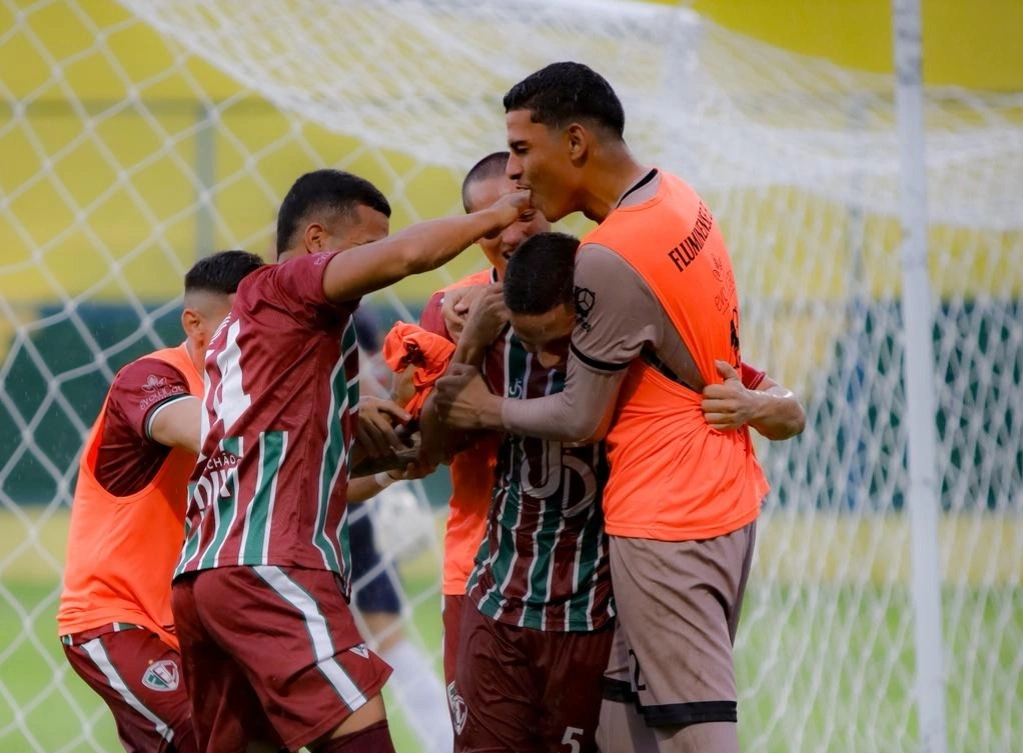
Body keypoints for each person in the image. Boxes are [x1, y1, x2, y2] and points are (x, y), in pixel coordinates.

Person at [435, 63, 806, 753]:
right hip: (717, 493)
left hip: (667, 516)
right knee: (623, 727)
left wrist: (483, 407)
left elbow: (581, 416)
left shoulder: (609, 256)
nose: (515, 172)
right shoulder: (678, 200)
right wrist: (771, 403)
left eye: (521, 149)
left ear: (575, 142)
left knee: (693, 731)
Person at [170, 168, 529, 753]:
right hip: (270, 566)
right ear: (316, 241)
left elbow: (309, 464)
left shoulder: (266, 333)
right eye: (366, 247)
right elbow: (409, 255)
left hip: (207, 574)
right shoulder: (285, 284)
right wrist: (499, 214)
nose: (374, 263)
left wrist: (384, 443)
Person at [57, 249, 265, 753]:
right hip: (115, 618)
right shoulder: (151, 377)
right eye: (247, 320)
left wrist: (392, 460)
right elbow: (198, 428)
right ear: (195, 324)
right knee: (203, 738)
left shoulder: (255, 398)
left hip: (198, 628)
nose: (262, 334)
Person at [415, 151, 550, 712]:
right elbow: (425, 451)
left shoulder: (600, 289)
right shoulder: (446, 310)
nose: (511, 234)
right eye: (492, 225)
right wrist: (471, 343)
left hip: (585, 573)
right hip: (477, 569)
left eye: (524, 214)